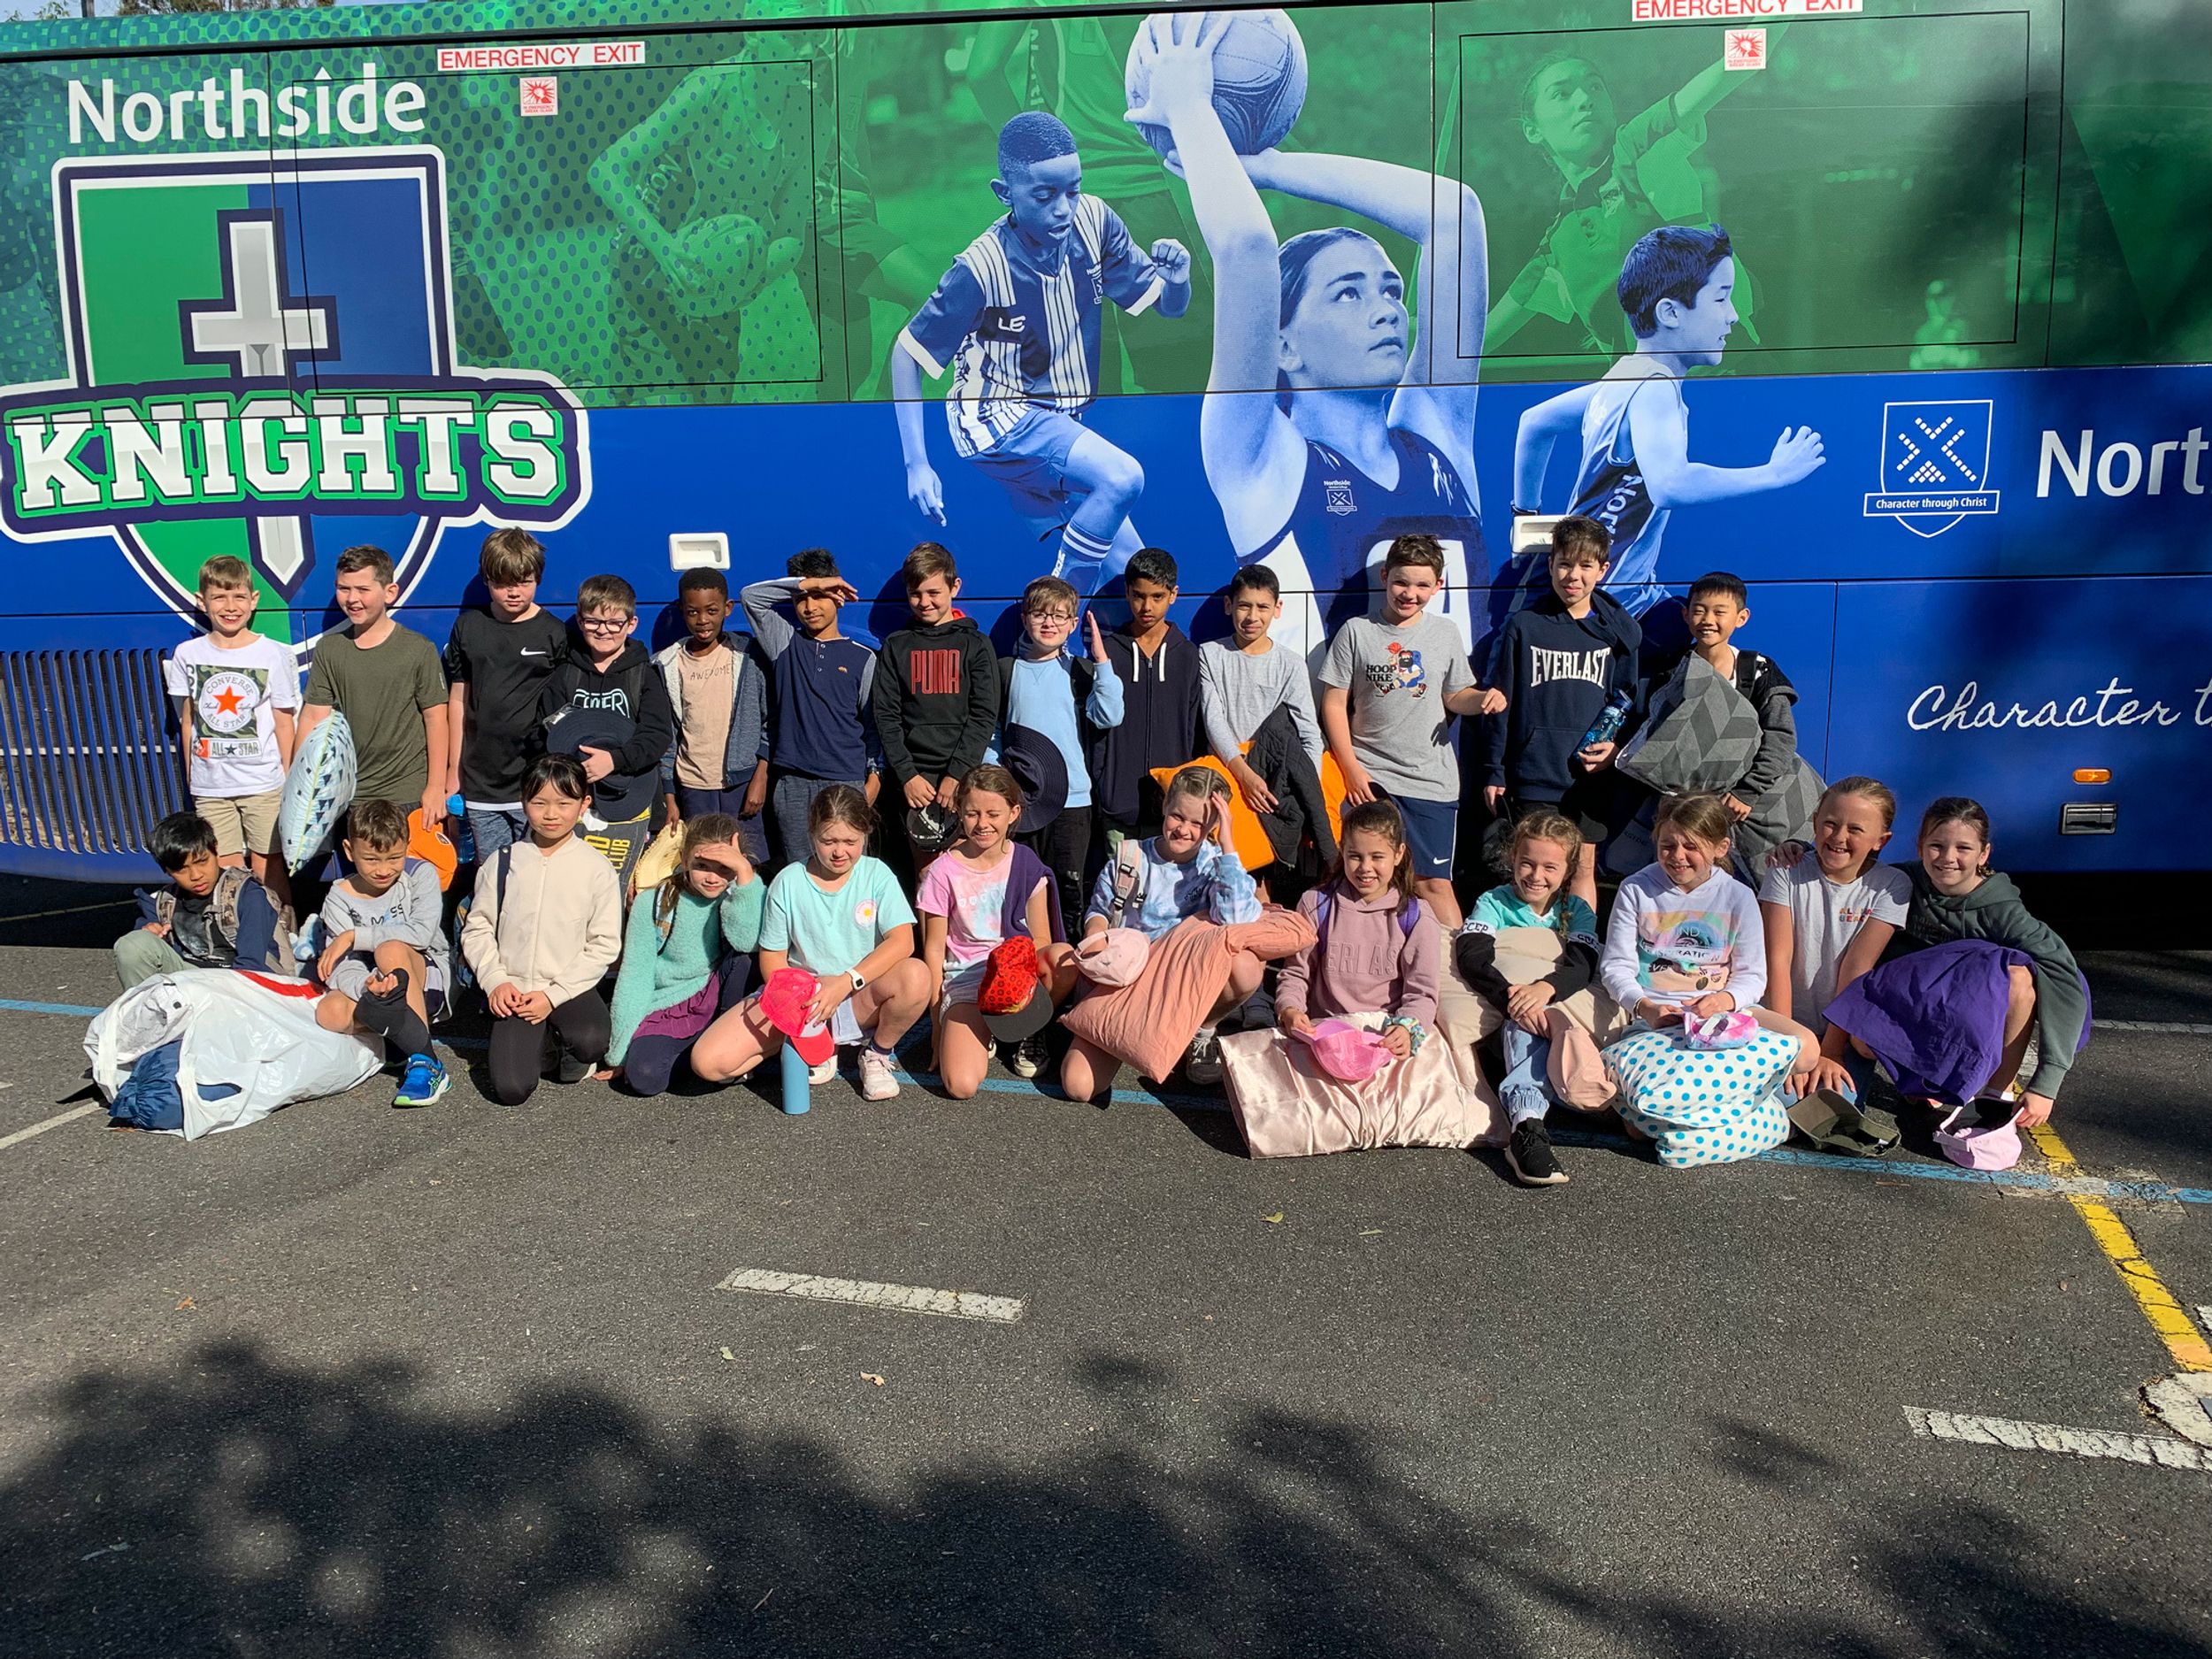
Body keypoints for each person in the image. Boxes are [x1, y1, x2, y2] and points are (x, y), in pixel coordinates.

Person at [1139, 11, 1491, 655]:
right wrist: (1190, 110)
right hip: (1318, 726)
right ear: (1284, 345)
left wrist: (1272, 167)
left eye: (1391, 289)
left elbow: (1455, 214)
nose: (1386, 309)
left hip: (1453, 728)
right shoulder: (1260, 460)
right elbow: (1247, 248)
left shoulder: (1437, 438)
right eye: (1348, 293)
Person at [891, 110, 1192, 599]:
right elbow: (907, 354)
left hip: (1058, 422)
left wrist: (1178, 280)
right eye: (1045, 195)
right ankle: (1059, 596)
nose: (1063, 209)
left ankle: (1067, 634)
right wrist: (917, 466)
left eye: (1073, 190)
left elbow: (1169, 307)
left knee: (1135, 586)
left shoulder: (1096, 221)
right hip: (996, 417)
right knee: (1123, 477)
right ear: (1004, 192)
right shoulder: (982, 266)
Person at [1509, 224, 1824, 620]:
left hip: (1608, 599)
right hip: (1613, 610)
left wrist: (1525, 518)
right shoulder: (1655, 388)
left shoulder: (1623, 378)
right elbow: (1670, 484)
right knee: (1711, 640)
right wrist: (1772, 473)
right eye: (1721, 298)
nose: (1733, 316)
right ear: (1670, 312)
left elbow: (1534, 423)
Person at [1484, 37, 1781, 356]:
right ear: (1532, 130)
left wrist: (1774, 18)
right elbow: (1480, 340)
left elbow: (1734, 68)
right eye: (1562, 93)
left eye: (1595, 87)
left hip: (1724, 373)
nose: (1585, 99)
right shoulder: (1555, 247)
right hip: (1639, 386)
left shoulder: (1634, 147)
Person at [1824, 798, 2088, 1129]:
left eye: (1963, 848)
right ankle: (1923, 1080)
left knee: (2020, 976)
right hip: (1916, 998)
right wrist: (1798, 850)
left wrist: (2047, 1083)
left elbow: (2063, 972)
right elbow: (1846, 861)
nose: (1948, 857)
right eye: (1937, 846)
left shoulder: (2002, 909)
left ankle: (1995, 1096)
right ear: (1920, 846)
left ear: (1984, 854)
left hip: (1960, 1009)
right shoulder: (1901, 880)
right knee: (1862, 1043)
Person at [690, 784, 930, 1102]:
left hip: (858, 993)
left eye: (850, 841)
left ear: (866, 834)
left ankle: (876, 1053)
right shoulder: (789, 880)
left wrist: (845, 982)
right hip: (802, 999)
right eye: (828, 841)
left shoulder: (877, 874)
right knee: (707, 1062)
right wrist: (800, 1003)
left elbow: (902, 942)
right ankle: (812, 1042)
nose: (839, 851)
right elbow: (773, 957)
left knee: (916, 975)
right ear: (812, 833)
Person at [1318, 534, 1495, 932]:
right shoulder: (1357, 631)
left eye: (1421, 585)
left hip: (1429, 781)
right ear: (1385, 576)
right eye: (1401, 582)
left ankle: (1454, 964)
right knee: (1362, 881)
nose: (1410, 594)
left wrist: (1482, 699)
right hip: (1368, 779)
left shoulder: (1445, 632)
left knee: (1433, 885)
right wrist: (1352, 770)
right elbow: (1333, 704)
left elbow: (1456, 696)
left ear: (1438, 586)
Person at [1062, 765, 1261, 1097]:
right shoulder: (1131, 857)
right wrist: (1098, 944)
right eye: (1178, 816)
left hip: (1180, 985)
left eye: (1199, 824)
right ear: (1165, 805)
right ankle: (1123, 1034)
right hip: (1126, 983)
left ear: (1213, 826)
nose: (1184, 830)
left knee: (1246, 967)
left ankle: (1201, 1031)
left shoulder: (1215, 865)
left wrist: (1228, 845)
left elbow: (1236, 919)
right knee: (1078, 1086)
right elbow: (1099, 912)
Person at [1479, 515, 1640, 912]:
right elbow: (1500, 703)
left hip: (1589, 778)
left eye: (1586, 566)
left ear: (1603, 570)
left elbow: (1629, 703)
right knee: (1533, 871)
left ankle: (1580, 943)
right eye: (1565, 564)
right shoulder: (1525, 626)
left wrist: (1616, 749)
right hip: (1534, 774)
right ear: (1550, 565)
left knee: (1583, 867)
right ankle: (1531, 941)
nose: (1574, 576)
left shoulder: (1618, 635)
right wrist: (1494, 770)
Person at [460, 755, 625, 1107]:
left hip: (567, 985)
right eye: (539, 803)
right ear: (523, 803)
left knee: (592, 1041)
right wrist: (495, 980)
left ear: (584, 805)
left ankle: (563, 1044)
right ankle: (543, 1046)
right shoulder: (503, 862)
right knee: (511, 1089)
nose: (551, 814)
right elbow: (477, 928)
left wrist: (553, 996)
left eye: (564, 803)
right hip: (515, 989)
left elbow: (604, 945)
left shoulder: (596, 869)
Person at [1455, 812, 1601, 1187]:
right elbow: (1472, 956)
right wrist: (1512, 998)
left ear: (1568, 871)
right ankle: (1526, 1125)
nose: (1536, 876)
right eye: (1527, 864)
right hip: (1509, 1015)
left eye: (1550, 868)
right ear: (1512, 858)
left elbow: (1583, 964)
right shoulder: (1494, 901)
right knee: (1522, 1025)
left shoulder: (1576, 910)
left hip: (1555, 1005)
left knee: (1538, 1016)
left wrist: (1544, 989)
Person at [918, 765, 1077, 1095]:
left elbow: (1042, 939)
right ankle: (986, 1029)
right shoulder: (943, 872)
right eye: (972, 813)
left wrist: (1015, 977)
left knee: (1064, 958)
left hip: (1016, 975)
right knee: (961, 1085)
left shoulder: (1026, 863)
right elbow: (933, 949)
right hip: (967, 981)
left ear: (1013, 813)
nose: (983, 823)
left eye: (993, 814)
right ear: (959, 812)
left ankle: (1029, 1026)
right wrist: (936, 1022)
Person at [1760, 777, 1910, 1100]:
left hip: (1839, 1031)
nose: (1839, 837)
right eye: (1830, 823)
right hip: (1783, 1023)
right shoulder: (1785, 870)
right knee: (1781, 1100)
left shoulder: (1892, 886)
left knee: (1834, 1103)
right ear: (1815, 822)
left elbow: (1856, 969)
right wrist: (1789, 1046)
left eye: (1855, 829)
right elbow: (1778, 959)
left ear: (1881, 841)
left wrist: (1831, 1051)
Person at [164, 554, 299, 906]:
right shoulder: (187, 653)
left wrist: (291, 779)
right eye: (219, 597)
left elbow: (284, 721)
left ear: (253, 600)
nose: (230, 607)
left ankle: (282, 930)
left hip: (264, 784)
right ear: (201, 601)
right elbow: (188, 720)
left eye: (238, 597)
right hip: (211, 788)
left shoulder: (272, 653)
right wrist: (193, 777)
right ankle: (237, 933)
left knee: (269, 866)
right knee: (225, 870)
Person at [603, 813, 766, 1098]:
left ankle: (725, 1047)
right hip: (672, 1003)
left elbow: (748, 941)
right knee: (644, 1078)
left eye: (725, 867)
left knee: (745, 959)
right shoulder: (653, 902)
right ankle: (701, 1058)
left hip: (721, 996)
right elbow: (636, 976)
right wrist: (619, 1050)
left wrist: (744, 874)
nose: (713, 877)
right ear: (684, 858)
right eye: (702, 866)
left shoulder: (743, 891)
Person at [995, 573, 1124, 930]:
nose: (1048, 623)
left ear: (1073, 623)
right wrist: (997, 781)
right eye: (1039, 614)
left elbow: (1109, 715)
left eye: (1058, 616)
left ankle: (1068, 954)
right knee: (1022, 888)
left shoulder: (1079, 671)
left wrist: (1102, 661)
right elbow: (994, 733)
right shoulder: (1007, 671)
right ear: (1025, 619)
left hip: (1072, 803)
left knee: (1069, 890)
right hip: (1022, 802)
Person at [739, 549, 881, 867]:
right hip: (793, 784)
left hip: (846, 782)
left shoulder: (863, 658)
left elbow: (873, 726)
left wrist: (874, 779)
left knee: (847, 871)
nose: (810, 606)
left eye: (820, 596)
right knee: (800, 871)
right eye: (802, 598)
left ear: (838, 599)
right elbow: (750, 597)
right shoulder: (784, 643)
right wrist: (811, 583)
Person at [536, 573, 677, 890]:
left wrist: (615, 760)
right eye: (593, 621)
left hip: (630, 798)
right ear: (580, 621)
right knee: (571, 886)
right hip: (573, 798)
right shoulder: (565, 673)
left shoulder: (644, 674)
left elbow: (656, 735)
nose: (604, 630)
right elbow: (545, 730)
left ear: (632, 623)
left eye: (614, 622)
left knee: (623, 888)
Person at [312, 799, 453, 1110]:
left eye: (394, 858)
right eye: (372, 859)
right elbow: (341, 965)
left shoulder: (420, 875)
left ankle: (426, 1062)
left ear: (407, 847)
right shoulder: (338, 897)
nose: (384, 870)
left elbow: (421, 934)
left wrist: (356, 935)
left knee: (390, 950)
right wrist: (367, 987)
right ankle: (400, 1041)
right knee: (329, 1012)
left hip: (424, 977)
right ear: (349, 851)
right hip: (377, 985)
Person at [1276, 797, 1441, 1060]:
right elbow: (1296, 973)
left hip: (1385, 1040)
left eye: (1377, 857)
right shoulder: (1315, 904)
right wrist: (1290, 1010)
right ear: (1342, 851)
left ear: (1398, 854)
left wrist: (1406, 1029)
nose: (1365, 868)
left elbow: (1422, 992)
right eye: (1355, 856)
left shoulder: (1416, 916)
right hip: (1326, 1037)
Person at [297, 545, 449, 827]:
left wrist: (436, 787)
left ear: (390, 592)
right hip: (348, 795)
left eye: (363, 589)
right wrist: (301, 783)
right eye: (344, 588)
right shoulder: (330, 649)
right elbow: (313, 717)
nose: (352, 599)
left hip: (407, 794)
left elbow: (437, 719)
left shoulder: (418, 649)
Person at [443, 528, 568, 861]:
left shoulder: (554, 632)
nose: (513, 592)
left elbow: (566, 708)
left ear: (538, 578)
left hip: (537, 780)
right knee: (493, 871)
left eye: (524, 582)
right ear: (487, 580)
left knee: (540, 869)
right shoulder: (468, 628)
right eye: (502, 583)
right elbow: (457, 699)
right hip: (481, 781)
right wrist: (453, 770)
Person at [873, 543, 1001, 863]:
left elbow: (984, 715)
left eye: (934, 593)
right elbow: (886, 716)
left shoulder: (976, 644)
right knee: (927, 874)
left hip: (964, 777)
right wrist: (907, 775)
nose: (924, 602)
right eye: (915, 594)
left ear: (954, 587)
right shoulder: (896, 646)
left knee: (970, 870)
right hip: (915, 783)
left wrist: (957, 775)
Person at [1601, 791, 1766, 1029]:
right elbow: (1617, 966)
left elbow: (1752, 975)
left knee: (1804, 1043)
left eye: (1691, 846)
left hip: (1724, 1014)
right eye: (1667, 846)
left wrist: (1723, 1000)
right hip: (1652, 1015)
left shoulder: (1739, 897)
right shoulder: (1635, 889)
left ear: (1721, 848)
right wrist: (1645, 1007)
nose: (1678, 856)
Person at [1199, 564, 1325, 867]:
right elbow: (1213, 721)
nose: (1252, 616)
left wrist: (1308, 794)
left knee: (1266, 877)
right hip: (1228, 779)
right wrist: (1244, 775)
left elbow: (1309, 733)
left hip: (1275, 788)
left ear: (1277, 609)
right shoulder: (1209, 654)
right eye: (1244, 606)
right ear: (1229, 605)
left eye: (1263, 607)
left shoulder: (1291, 664)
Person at [1085, 547, 1202, 855]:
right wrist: (1103, 784)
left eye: (1157, 597)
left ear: (1173, 595)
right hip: (1117, 806)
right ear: (1127, 593)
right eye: (1138, 596)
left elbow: (1194, 730)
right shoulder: (1108, 652)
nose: (1146, 606)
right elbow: (1096, 728)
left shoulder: (1188, 656)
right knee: (1120, 885)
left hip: (1173, 812)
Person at [654, 566, 770, 867]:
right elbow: (668, 736)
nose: (703, 620)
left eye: (712, 611)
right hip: (693, 785)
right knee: (702, 863)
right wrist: (670, 797)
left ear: (728, 609)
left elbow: (769, 720)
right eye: (693, 612)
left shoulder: (748, 656)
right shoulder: (667, 664)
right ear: (682, 612)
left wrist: (761, 775)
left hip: (742, 784)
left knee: (748, 862)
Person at [1672, 571, 1799, 826]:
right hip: (1682, 805)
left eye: (1719, 612)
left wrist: (1748, 791)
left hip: (1738, 808)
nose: (1708, 620)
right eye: (1699, 610)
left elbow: (1780, 737)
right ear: (1685, 615)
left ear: (1742, 618)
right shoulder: (1670, 671)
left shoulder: (1759, 670)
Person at [112, 810, 289, 990]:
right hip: (192, 981)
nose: (196, 875)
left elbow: (252, 964)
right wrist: (149, 930)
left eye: (202, 861)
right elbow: (142, 940)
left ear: (215, 849)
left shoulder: (247, 894)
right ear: (166, 870)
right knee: (133, 945)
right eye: (181, 869)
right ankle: (147, 1007)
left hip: (247, 984)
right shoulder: (163, 902)